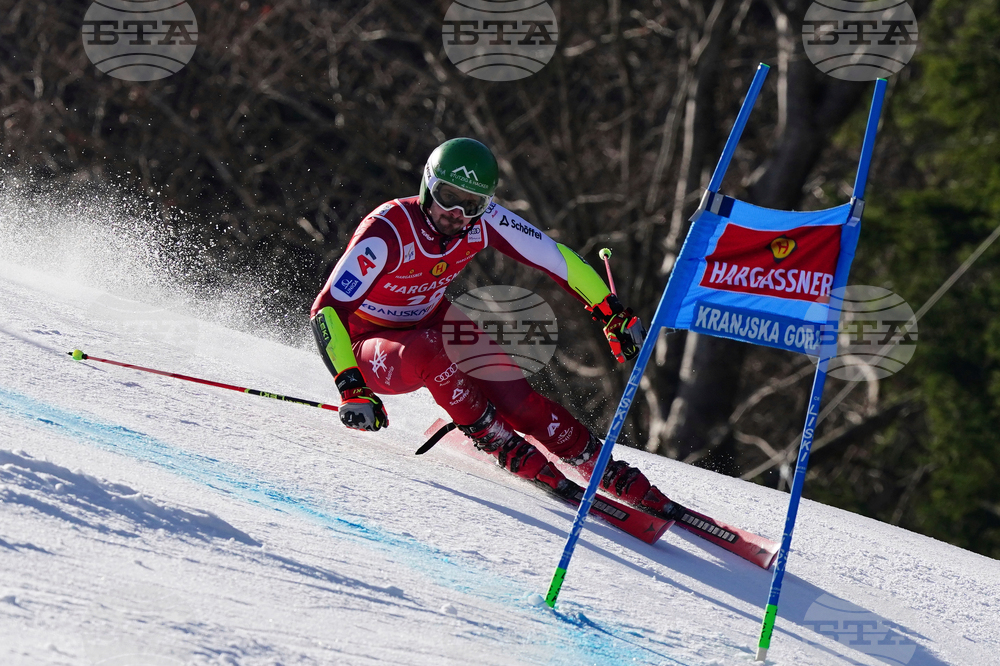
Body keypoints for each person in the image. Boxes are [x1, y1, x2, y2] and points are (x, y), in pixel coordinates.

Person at [310, 138, 673, 518]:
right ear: (427, 186)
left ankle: (596, 461)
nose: (456, 213)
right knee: (433, 347)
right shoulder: (388, 231)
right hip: (370, 345)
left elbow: (557, 258)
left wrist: (610, 312)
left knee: (515, 396)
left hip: (432, 321)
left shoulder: (486, 221)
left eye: (470, 204)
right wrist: (351, 387)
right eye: (447, 196)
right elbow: (326, 309)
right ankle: (495, 439)